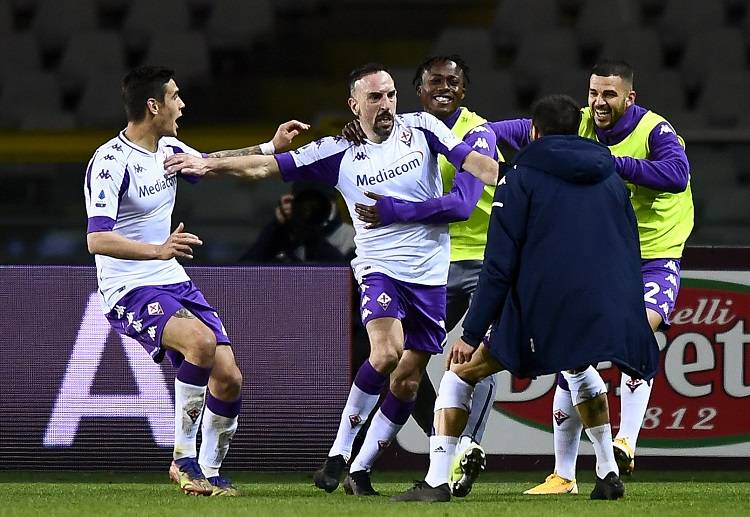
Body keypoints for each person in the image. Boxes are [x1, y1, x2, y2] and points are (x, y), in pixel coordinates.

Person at [163, 63, 499, 496]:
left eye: (391, 95)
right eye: (375, 97)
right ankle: (337, 455)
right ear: (354, 104)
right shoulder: (337, 150)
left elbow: (475, 166)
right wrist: (207, 163)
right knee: (386, 352)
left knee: (409, 379)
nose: (386, 105)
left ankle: (358, 469)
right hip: (380, 269)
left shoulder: (424, 128)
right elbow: (264, 167)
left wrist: (500, 173)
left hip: (431, 273)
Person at [391, 94, 659, 503]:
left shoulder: (519, 176)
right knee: (578, 369)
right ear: (576, 131)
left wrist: (472, 331)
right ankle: (607, 475)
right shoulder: (610, 177)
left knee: (461, 373)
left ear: (533, 132)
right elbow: (627, 245)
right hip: (602, 301)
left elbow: (499, 265)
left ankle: (436, 481)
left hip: (541, 306)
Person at [84, 65, 307, 496]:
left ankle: (209, 471)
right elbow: (97, 239)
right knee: (201, 344)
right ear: (153, 105)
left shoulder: (166, 146)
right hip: (129, 286)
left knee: (229, 378)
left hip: (171, 277)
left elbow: (211, 163)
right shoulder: (110, 161)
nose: (181, 104)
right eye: (175, 96)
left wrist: (270, 146)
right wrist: (158, 249)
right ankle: (183, 460)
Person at [344, 54, 527, 497]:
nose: (444, 88)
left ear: (464, 91)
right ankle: (370, 465)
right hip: (429, 264)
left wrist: (394, 212)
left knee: (476, 357)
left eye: (453, 82)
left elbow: (463, 205)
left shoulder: (476, 133)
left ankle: (463, 446)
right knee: (401, 366)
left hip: (486, 261)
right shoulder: (402, 129)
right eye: (434, 82)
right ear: (418, 91)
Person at [512, 61, 694, 494]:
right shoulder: (579, 124)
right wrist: (473, 139)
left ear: (629, 97)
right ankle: (564, 475)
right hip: (605, 256)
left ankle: (625, 439)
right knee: (572, 356)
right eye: (593, 93)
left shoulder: (655, 130)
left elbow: (676, 174)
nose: (598, 102)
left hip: (655, 255)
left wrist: (613, 161)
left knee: (634, 333)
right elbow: (520, 129)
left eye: (609, 94)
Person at [240, 181, 355, 264]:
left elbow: (349, 281)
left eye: (318, 203)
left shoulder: (351, 237)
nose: (312, 209)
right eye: (305, 204)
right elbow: (243, 273)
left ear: (333, 203)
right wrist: (277, 227)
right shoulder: (284, 234)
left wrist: (314, 237)